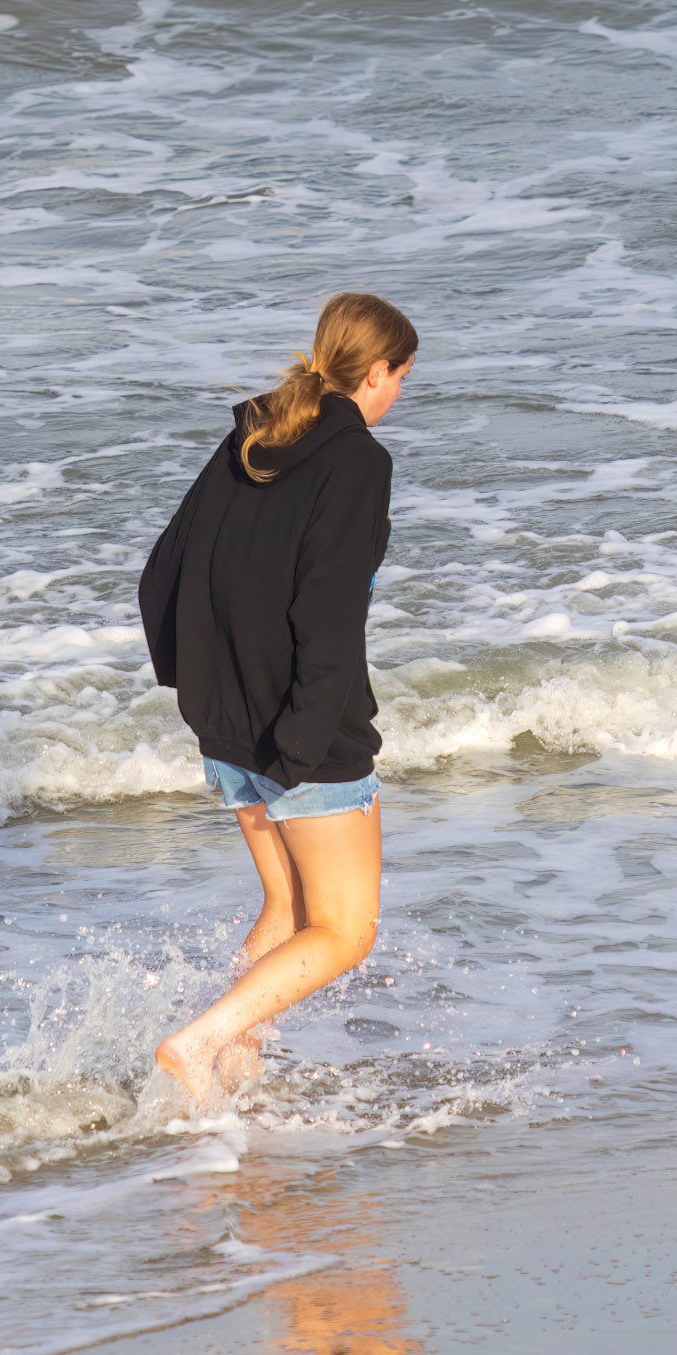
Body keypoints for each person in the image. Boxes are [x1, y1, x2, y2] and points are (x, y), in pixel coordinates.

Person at [139, 291, 418, 1100]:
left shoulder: (257, 431)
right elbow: (328, 612)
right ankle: (198, 1044)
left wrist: (199, 689)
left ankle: (234, 1077)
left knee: (289, 910)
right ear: (376, 371)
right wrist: (306, 742)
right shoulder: (357, 460)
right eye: (402, 377)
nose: (399, 393)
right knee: (344, 931)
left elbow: (163, 569)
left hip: (227, 718)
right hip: (302, 730)